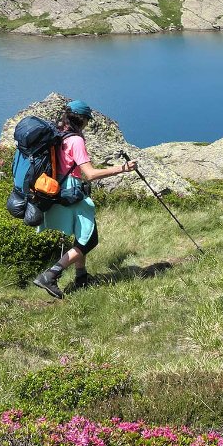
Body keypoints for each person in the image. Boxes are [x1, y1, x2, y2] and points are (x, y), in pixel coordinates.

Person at [32, 100, 135, 299]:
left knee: (81, 234)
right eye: (87, 119)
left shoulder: (58, 134)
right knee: (90, 240)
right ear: (81, 119)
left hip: (56, 189)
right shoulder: (76, 140)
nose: (88, 123)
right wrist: (123, 168)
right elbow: (90, 174)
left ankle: (81, 278)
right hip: (72, 191)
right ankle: (50, 274)